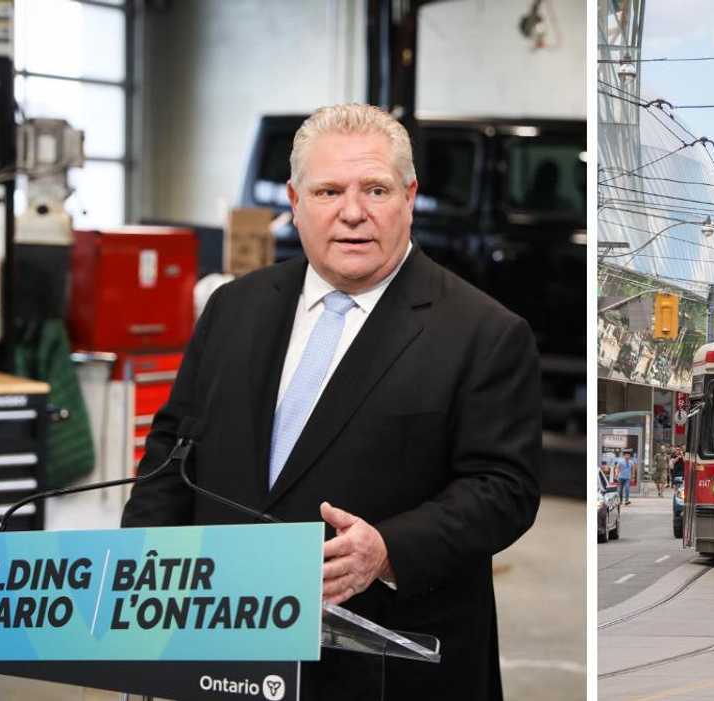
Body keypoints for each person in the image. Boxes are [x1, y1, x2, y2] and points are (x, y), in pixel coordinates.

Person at [121, 104, 541, 701]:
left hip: (387, 670)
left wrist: (389, 548)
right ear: (294, 201)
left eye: (375, 189)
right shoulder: (233, 308)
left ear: (409, 195)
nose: (352, 212)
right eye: (328, 191)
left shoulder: (483, 333)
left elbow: (505, 488)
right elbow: (170, 456)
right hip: (223, 656)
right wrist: (137, 582)